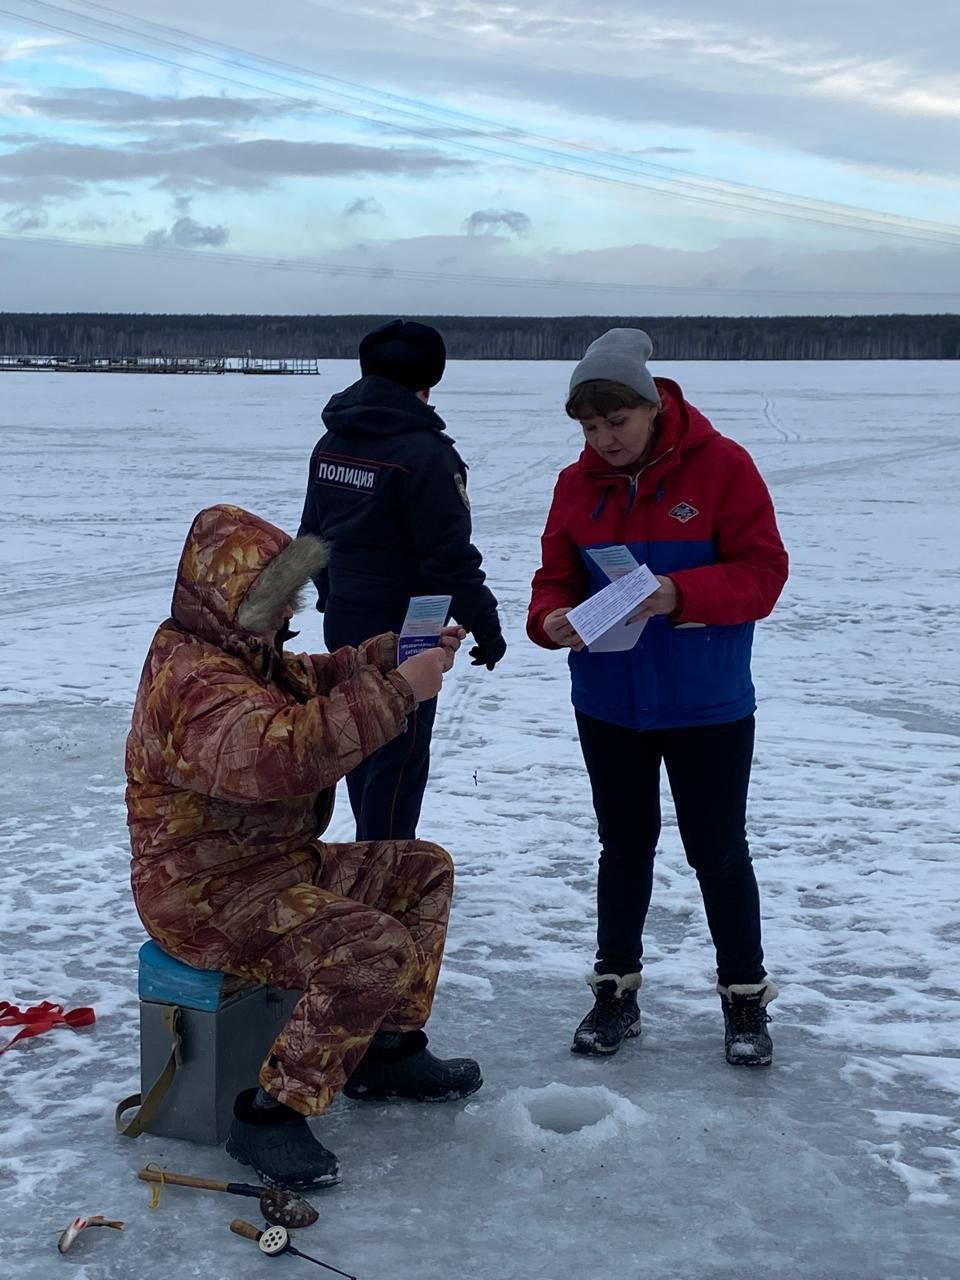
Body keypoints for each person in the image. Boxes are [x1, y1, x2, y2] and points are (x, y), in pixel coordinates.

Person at [125, 503, 481, 1190]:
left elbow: (312, 680)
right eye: (281, 594)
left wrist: (384, 657)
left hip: (268, 866)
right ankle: (270, 1117)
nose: (294, 609)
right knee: (366, 943)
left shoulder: (237, 650)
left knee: (420, 871)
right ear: (238, 595)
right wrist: (400, 693)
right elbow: (278, 757)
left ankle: (387, 1052)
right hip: (205, 894)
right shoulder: (193, 682)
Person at [526, 329, 789, 1066]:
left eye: (616, 423)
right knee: (623, 847)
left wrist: (679, 593)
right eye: (589, 427)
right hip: (610, 701)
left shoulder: (723, 467)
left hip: (707, 702)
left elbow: (764, 573)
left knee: (718, 851)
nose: (603, 440)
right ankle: (616, 990)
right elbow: (555, 578)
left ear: (651, 407)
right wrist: (548, 619)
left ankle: (744, 999)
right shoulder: (576, 486)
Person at [298, 319, 505, 842]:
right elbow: (449, 557)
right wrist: (485, 621)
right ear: (427, 385)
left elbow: (311, 539)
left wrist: (329, 596)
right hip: (408, 633)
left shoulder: (332, 443)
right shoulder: (427, 457)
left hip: (345, 621)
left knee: (359, 742)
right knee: (398, 758)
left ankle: (370, 867)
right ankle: (383, 882)